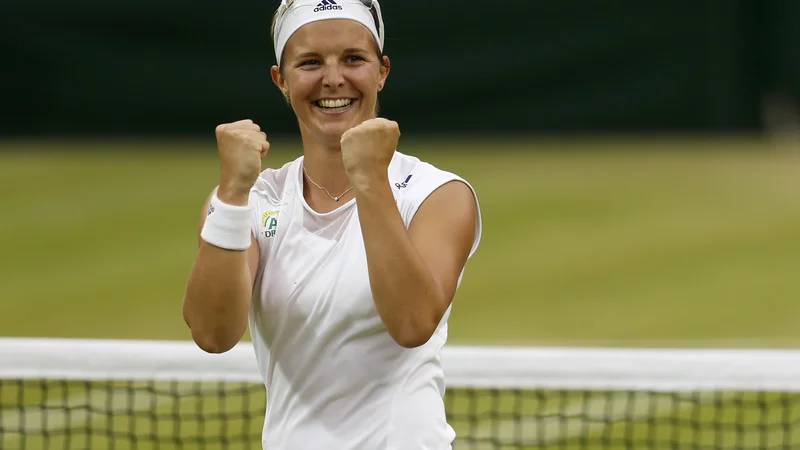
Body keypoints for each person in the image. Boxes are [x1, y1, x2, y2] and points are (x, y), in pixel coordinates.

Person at [182, 0, 482, 448]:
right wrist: (230, 194)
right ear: (280, 80)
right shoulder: (251, 199)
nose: (334, 78)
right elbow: (212, 333)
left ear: (382, 71)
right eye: (310, 62)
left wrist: (370, 181)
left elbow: (411, 322)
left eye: (353, 59)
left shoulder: (438, 195)